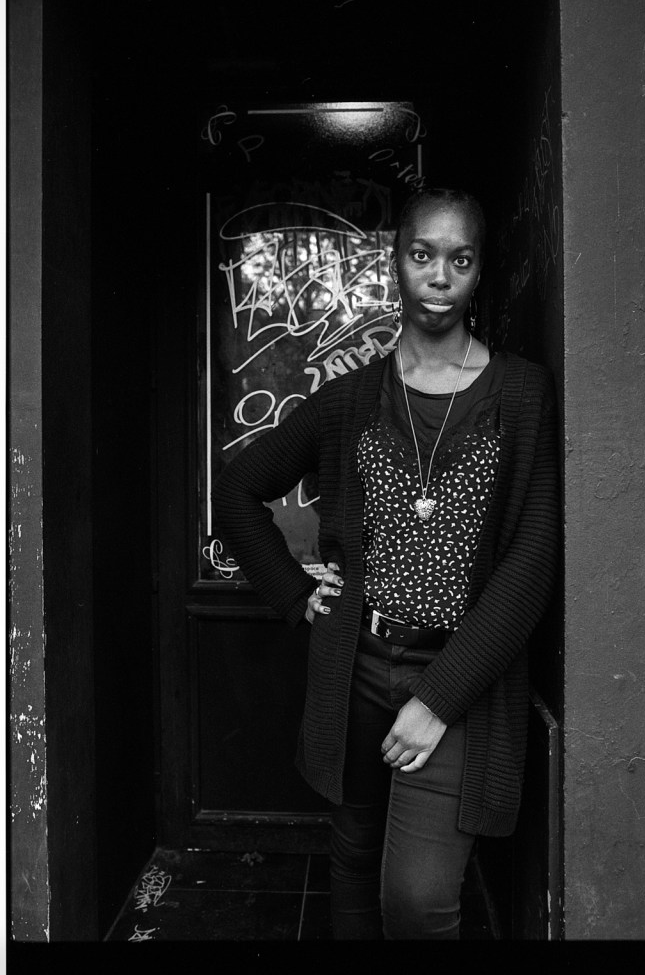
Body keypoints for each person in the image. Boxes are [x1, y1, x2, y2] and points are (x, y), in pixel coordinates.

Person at [212, 187, 559, 940]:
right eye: (421, 255)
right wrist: (296, 592)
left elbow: (530, 563)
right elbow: (237, 490)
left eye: (458, 260)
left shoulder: (522, 393)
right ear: (394, 263)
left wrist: (436, 699)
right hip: (357, 661)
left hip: (462, 677)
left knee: (418, 898)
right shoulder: (349, 400)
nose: (439, 275)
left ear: (478, 273)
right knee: (353, 860)